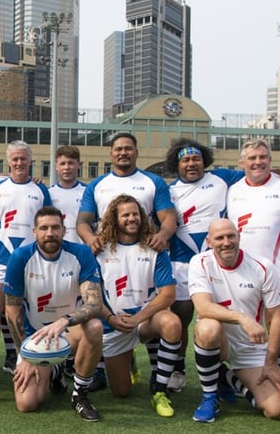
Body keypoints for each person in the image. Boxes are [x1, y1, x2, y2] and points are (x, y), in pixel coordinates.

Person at [76, 132, 176, 390]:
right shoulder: (97, 184)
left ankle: (161, 383)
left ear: (136, 152)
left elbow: (168, 218)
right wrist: (90, 240)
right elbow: (82, 222)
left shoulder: (153, 182)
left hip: (144, 254)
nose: (123, 152)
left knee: (167, 316)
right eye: (118, 149)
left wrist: (162, 236)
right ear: (111, 154)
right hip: (110, 254)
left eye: (128, 148)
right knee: (121, 391)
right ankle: (114, 362)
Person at [6, 207, 103, 421]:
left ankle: (80, 394)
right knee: (27, 404)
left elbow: (95, 303)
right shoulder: (20, 257)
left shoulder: (81, 253)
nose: (50, 233)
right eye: (44, 228)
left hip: (68, 331)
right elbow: (12, 312)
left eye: (55, 228)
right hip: (36, 337)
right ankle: (56, 371)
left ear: (63, 230)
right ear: (34, 232)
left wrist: (64, 321)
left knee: (94, 327)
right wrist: (27, 354)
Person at [188, 219, 280, 423]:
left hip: (250, 348)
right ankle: (210, 397)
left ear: (238, 237)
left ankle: (230, 379)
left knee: (278, 409)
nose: (226, 242)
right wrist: (243, 318)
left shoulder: (263, 267)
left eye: (230, 236)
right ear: (209, 241)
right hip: (219, 341)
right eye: (219, 238)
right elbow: (203, 307)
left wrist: (271, 362)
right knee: (208, 327)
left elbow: (279, 316)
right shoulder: (199, 262)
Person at [165, 138, 243, 392]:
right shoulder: (169, 190)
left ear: (205, 160)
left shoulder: (222, 177)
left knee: (217, 318)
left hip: (216, 262)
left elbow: (256, 174)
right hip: (181, 262)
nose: (191, 164)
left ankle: (220, 371)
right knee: (182, 316)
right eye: (185, 160)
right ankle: (178, 368)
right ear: (176, 164)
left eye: (196, 159)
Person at [95, 195, 182, 417]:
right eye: (125, 214)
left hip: (144, 321)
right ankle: (129, 358)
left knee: (172, 323)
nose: (132, 218)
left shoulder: (155, 248)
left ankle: (159, 390)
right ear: (115, 218)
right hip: (115, 324)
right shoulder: (100, 250)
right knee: (121, 391)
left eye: (135, 213)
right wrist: (111, 319)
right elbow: (93, 294)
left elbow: (168, 295)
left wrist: (138, 318)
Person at [0, 141, 52, 378]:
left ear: (30, 161)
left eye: (23, 159)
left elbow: (48, 224)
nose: (19, 163)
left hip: (32, 261)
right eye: (15, 159)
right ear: (9, 161)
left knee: (27, 310)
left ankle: (23, 357)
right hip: (0, 260)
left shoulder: (40, 190)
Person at [225, 139, 280, 371]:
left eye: (263, 157)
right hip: (241, 271)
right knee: (243, 326)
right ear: (241, 162)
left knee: (278, 326)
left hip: (279, 271)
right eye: (252, 158)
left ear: (270, 160)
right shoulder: (233, 190)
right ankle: (240, 375)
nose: (258, 162)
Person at [49, 145, 86, 245]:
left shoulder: (88, 192)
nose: (66, 167)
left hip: (81, 249)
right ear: (56, 166)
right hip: (56, 249)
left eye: (71, 163)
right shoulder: (48, 193)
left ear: (79, 165)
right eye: (62, 163)